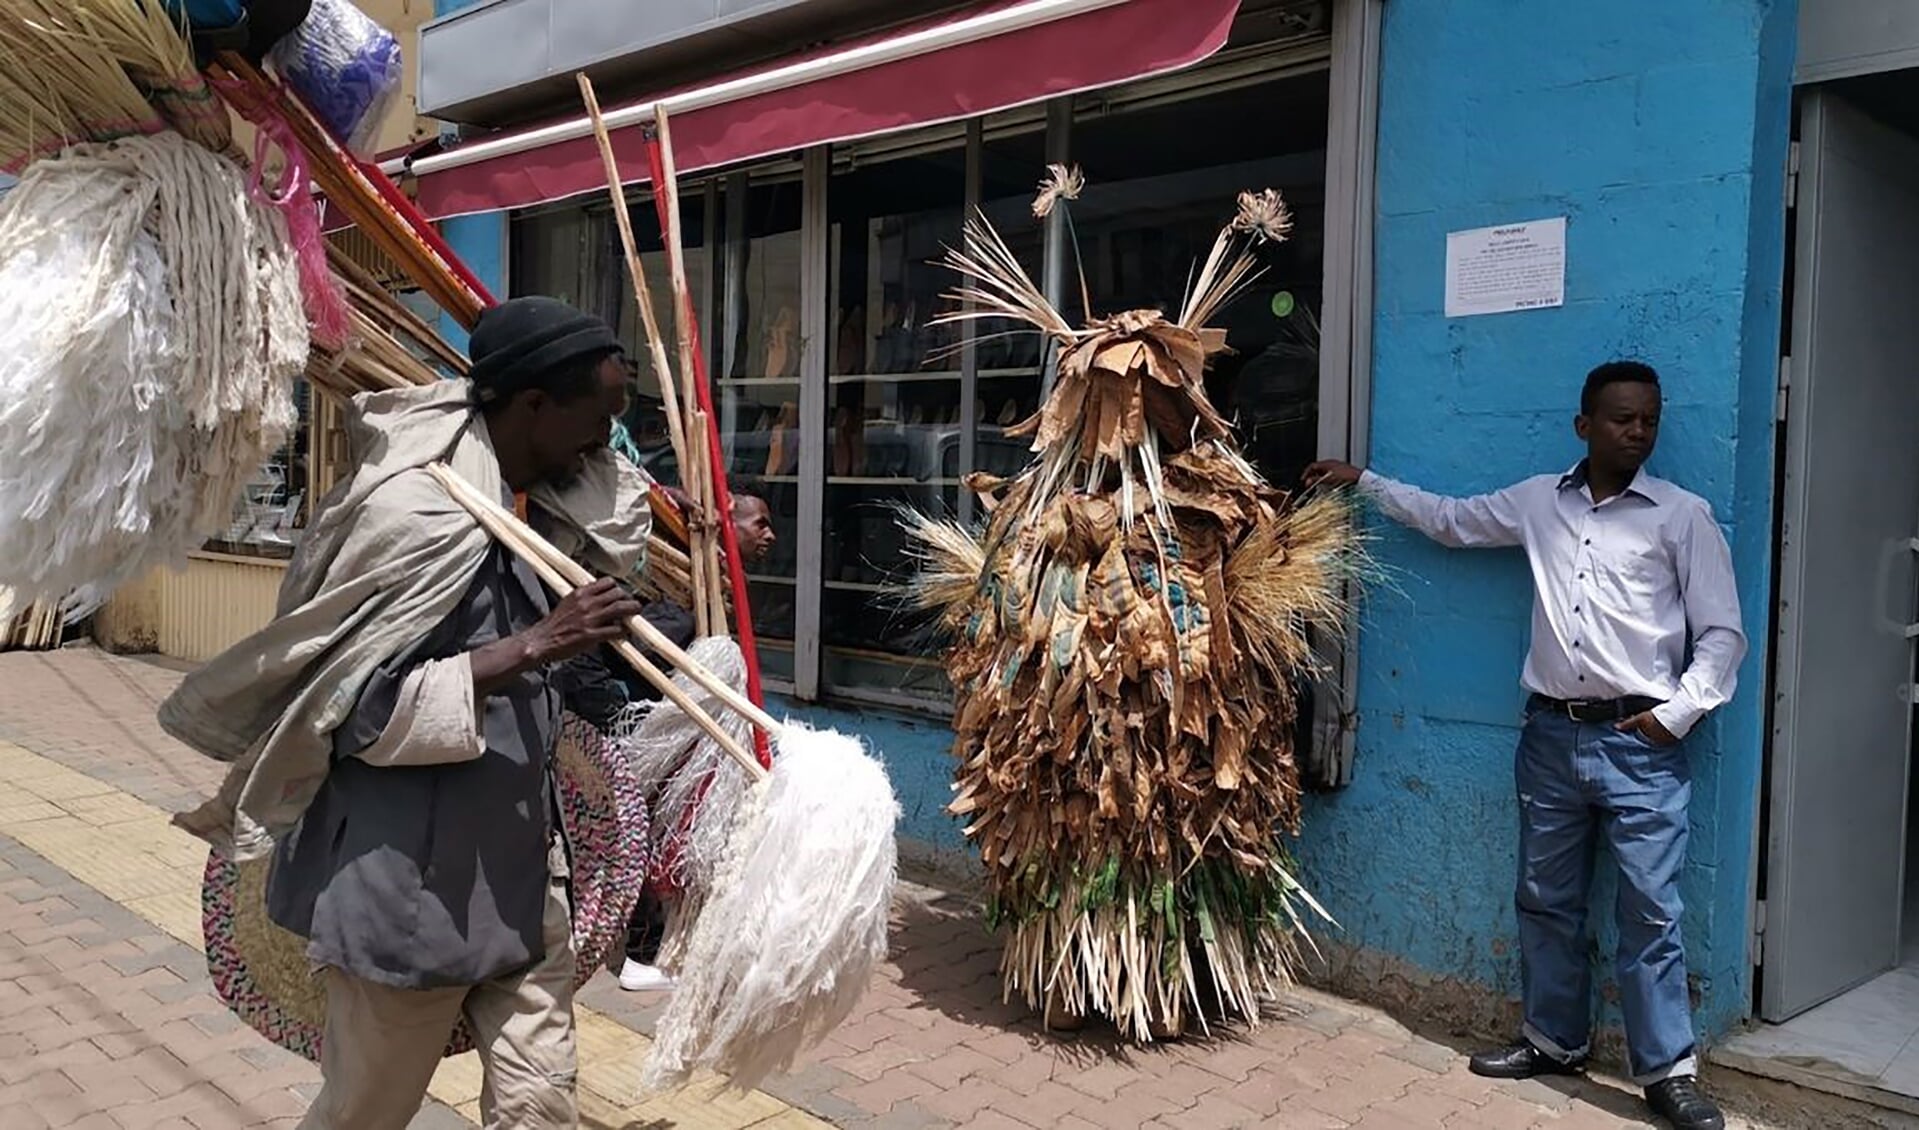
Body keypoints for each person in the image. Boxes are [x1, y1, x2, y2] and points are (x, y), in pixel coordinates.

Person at [176, 296, 649, 1130]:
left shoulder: (539, 506)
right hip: (413, 894)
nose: (606, 443)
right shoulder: (411, 514)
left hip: (523, 874)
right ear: (534, 404)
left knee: (542, 1103)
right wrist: (534, 646)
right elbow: (345, 708)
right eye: (597, 419)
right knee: (365, 1110)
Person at [1305, 361, 1743, 1130]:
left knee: (1649, 915)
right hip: (1548, 735)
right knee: (1545, 900)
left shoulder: (1681, 517)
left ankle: (1667, 1076)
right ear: (1584, 425)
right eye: (1621, 419)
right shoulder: (1540, 501)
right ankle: (1551, 1041)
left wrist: (1677, 712)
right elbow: (1450, 520)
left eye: (1648, 420)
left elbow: (1721, 634)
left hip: (1639, 741)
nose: (1637, 432)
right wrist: (1363, 482)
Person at [613, 478, 777, 994]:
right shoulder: (683, 605)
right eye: (760, 523)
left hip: (690, 746)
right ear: (727, 526)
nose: (770, 534)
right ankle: (641, 953)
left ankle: (667, 944)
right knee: (653, 834)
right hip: (661, 743)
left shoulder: (717, 592)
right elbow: (629, 662)